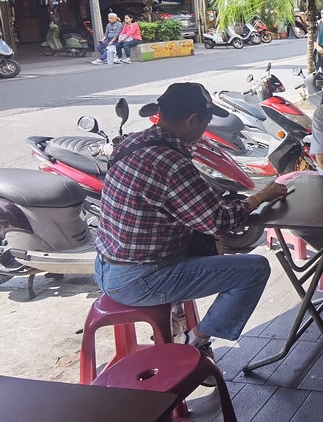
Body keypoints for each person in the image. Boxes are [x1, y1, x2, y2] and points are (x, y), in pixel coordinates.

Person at [94, 83, 290, 363]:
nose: (206, 127)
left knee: (198, 245)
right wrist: (260, 197)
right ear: (192, 121)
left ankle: (176, 316)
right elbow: (217, 223)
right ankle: (196, 341)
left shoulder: (132, 141)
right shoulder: (171, 162)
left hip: (105, 266)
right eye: (207, 121)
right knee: (254, 269)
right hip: (139, 279)